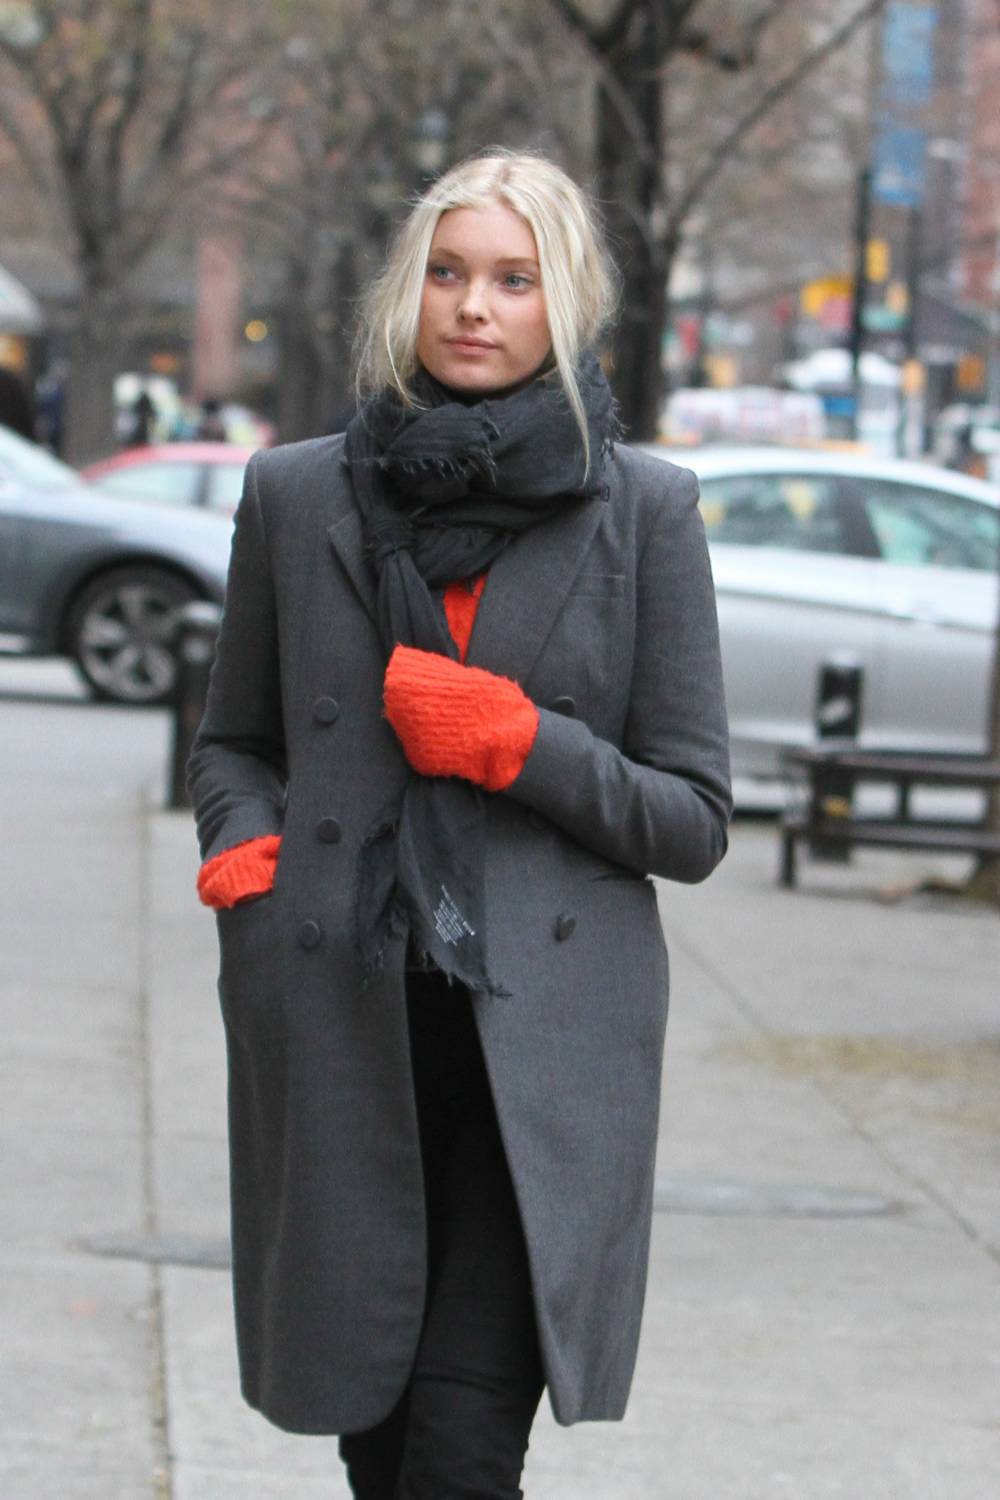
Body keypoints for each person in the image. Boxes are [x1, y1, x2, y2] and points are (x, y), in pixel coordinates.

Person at [187, 148, 731, 1499]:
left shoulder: (643, 511)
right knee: (371, 1424)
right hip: (343, 1017)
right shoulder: (301, 494)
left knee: (460, 1444)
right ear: (408, 292)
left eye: (511, 278)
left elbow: (695, 813)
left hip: (540, 1043)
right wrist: (243, 850)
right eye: (446, 273)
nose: (472, 306)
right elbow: (235, 741)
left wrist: (519, 745)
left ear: (566, 303)